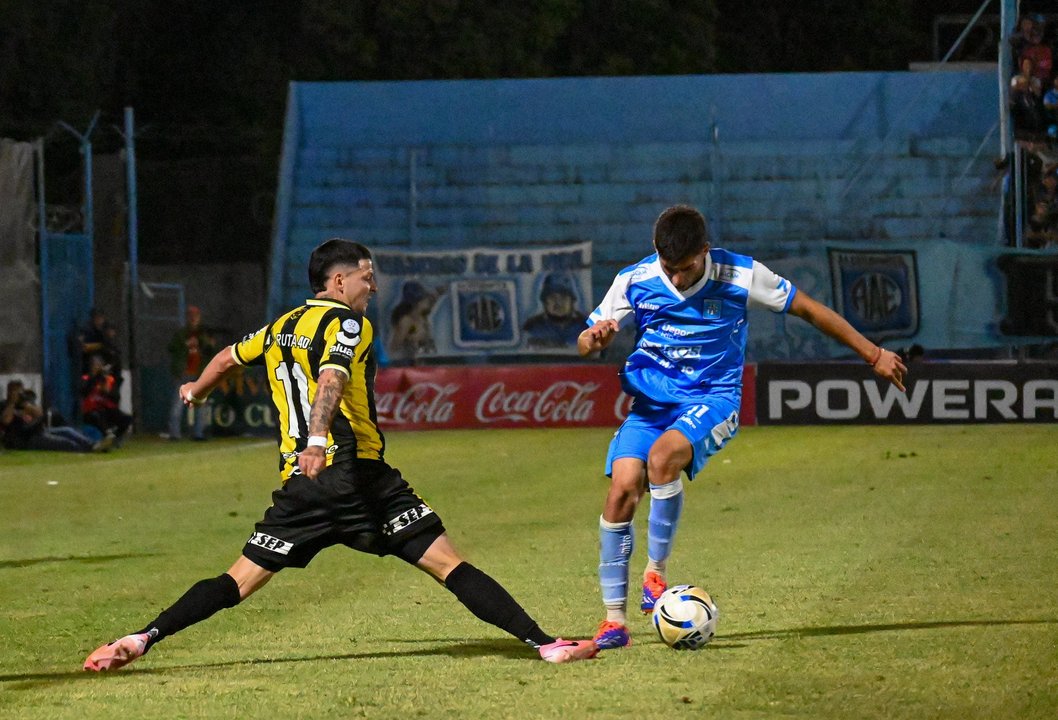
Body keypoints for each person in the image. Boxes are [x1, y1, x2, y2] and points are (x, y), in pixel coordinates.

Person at [83, 238, 597, 671]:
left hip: (302, 489)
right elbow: (332, 377)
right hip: (355, 475)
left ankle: (141, 638)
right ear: (338, 282)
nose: (372, 288)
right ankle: (546, 644)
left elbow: (225, 358)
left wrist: (196, 390)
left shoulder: (279, 327)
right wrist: (317, 440)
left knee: (235, 582)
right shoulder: (349, 324)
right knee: (447, 564)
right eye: (366, 278)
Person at [577, 205, 907, 650]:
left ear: (705, 251)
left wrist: (873, 354)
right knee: (621, 490)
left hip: (712, 399)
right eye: (670, 269)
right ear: (656, 252)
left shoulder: (741, 274)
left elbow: (809, 309)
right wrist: (594, 340)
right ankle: (614, 622)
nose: (678, 278)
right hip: (651, 405)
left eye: (687, 268)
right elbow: (586, 340)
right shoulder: (635, 279)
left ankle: (655, 573)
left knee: (662, 458)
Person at [1, 380, 112, 453]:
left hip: (39, 431)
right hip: (25, 439)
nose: (18, 393)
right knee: (64, 443)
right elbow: (6, 421)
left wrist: (25, 404)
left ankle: (94, 445)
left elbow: (40, 414)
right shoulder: (4, 405)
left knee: (67, 431)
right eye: (15, 391)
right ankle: (88, 450)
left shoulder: (25, 403)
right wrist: (12, 402)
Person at [167, 305, 215, 440]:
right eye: (191, 316)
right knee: (177, 405)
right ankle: (174, 433)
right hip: (184, 372)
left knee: (200, 405)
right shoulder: (182, 333)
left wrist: (205, 342)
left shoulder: (203, 333)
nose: (193, 318)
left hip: (199, 373)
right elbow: (171, 348)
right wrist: (185, 344)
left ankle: (198, 433)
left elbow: (211, 350)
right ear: (188, 318)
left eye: (196, 316)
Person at [522, 272, 586, 349]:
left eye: (563, 297)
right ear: (545, 302)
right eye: (552, 297)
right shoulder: (532, 327)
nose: (558, 302)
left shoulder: (585, 326)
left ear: (572, 301)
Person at [386, 281, 445, 362]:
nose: (427, 300)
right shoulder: (406, 321)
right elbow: (394, 348)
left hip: (426, 360)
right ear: (417, 303)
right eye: (424, 298)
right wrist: (411, 339)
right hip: (410, 362)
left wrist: (440, 291)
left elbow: (433, 299)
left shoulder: (422, 316)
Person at [80, 354, 133, 441]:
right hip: (90, 410)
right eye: (95, 365)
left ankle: (115, 438)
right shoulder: (86, 379)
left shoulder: (108, 379)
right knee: (97, 416)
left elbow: (112, 395)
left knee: (126, 419)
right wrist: (96, 377)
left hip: (105, 408)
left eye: (99, 364)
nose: (97, 367)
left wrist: (104, 382)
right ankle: (106, 436)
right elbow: (85, 391)